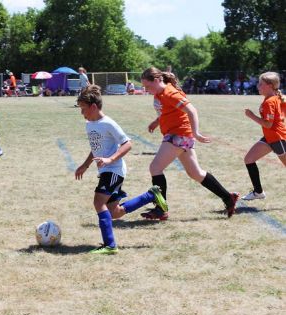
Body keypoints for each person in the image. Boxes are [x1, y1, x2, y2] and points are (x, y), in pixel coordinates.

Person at [75, 85, 168, 254]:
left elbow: (128, 144)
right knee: (114, 212)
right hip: (106, 171)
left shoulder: (108, 123)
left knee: (98, 202)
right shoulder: (90, 124)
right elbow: (96, 148)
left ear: (94, 107)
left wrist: (110, 159)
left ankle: (110, 245)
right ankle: (151, 195)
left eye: (83, 109)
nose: (82, 113)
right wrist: (85, 164)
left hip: (114, 169)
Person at [140, 67, 239, 220]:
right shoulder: (160, 93)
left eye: (148, 86)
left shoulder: (170, 93)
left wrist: (196, 133)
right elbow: (167, 112)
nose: (146, 90)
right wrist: (156, 122)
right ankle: (228, 197)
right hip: (176, 133)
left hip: (179, 134)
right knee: (196, 173)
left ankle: (161, 209)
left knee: (155, 167)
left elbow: (192, 110)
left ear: (158, 80)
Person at [242, 72, 286, 200]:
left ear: (270, 86)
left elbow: (268, 124)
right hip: (269, 138)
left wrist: (251, 116)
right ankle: (258, 192)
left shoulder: (270, 101)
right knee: (249, 159)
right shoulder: (275, 97)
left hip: (278, 139)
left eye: (261, 84)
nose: (258, 86)